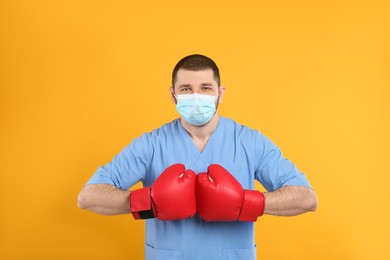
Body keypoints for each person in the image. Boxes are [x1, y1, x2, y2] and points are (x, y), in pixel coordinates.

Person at [78, 54, 318, 260]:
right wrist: (149, 202)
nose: (196, 96)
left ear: (220, 94)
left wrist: (246, 202)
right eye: (186, 89)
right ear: (173, 95)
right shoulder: (151, 144)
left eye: (205, 88)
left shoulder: (249, 141)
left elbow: (307, 198)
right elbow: (88, 197)